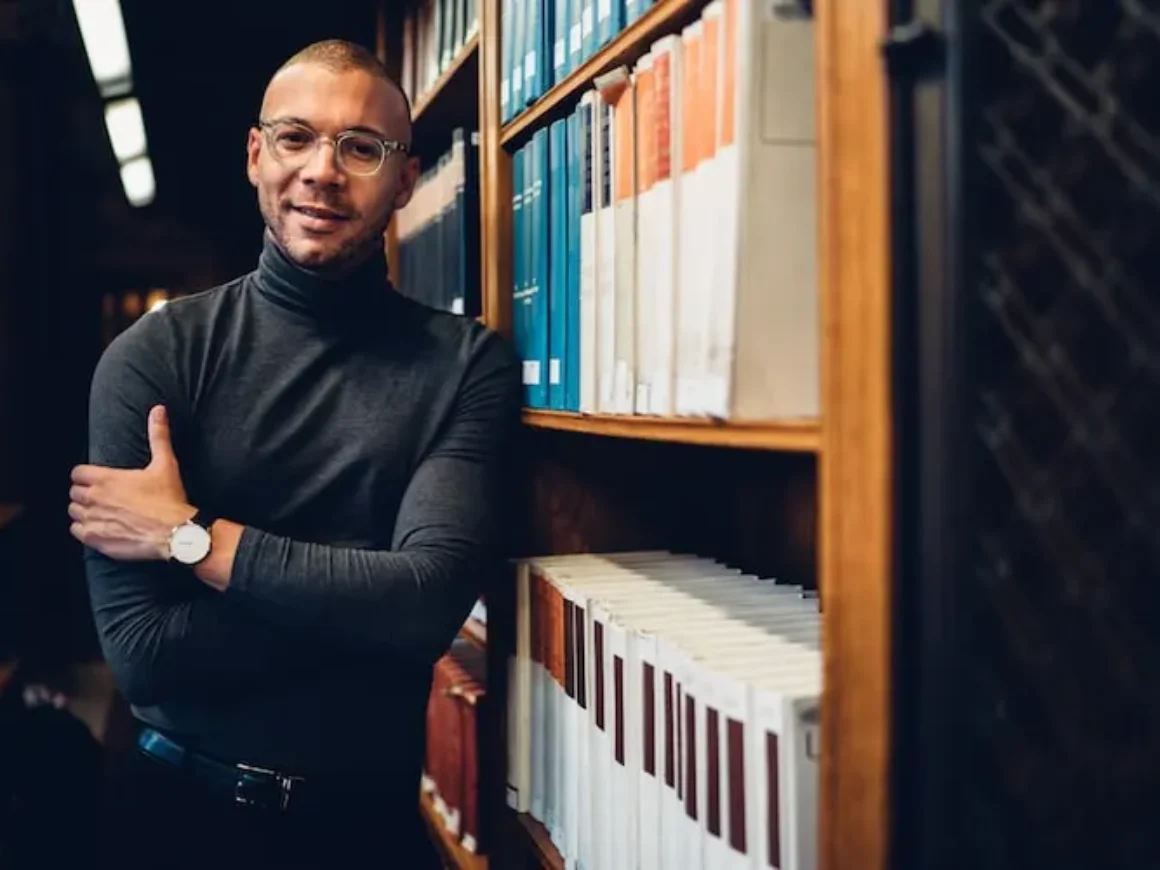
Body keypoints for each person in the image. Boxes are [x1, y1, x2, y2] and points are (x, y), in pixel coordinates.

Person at [68, 38, 521, 869]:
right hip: (168, 823)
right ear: (255, 155)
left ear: (406, 180)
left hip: (369, 832)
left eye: (361, 148)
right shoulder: (153, 358)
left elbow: (422, 607)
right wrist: (363, 588)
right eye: (296, 137)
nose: (322, 170)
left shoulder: (466, 365)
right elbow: (147, 659)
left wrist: (189, 537)